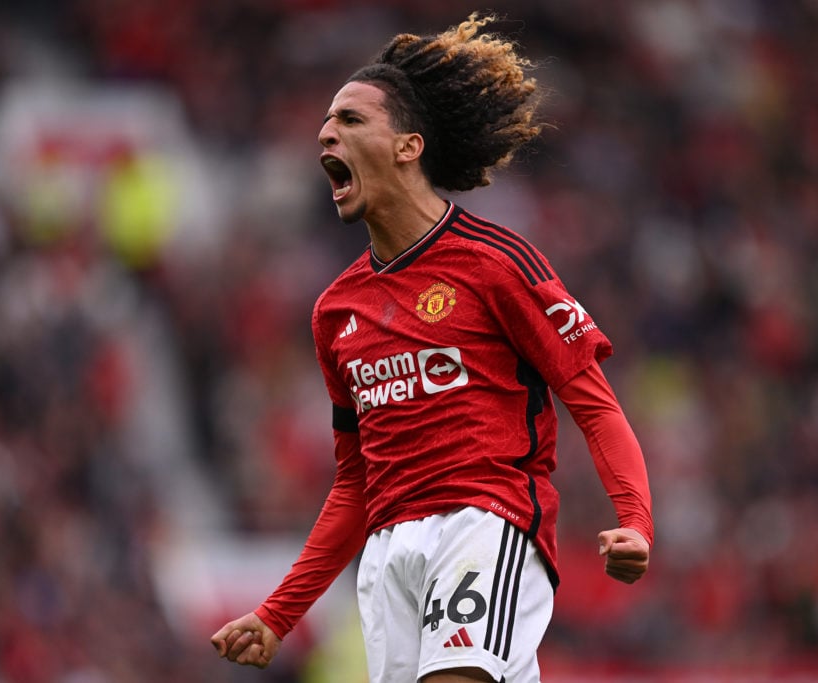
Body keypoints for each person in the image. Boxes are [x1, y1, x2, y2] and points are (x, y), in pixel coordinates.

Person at [211, 13, 653, 683]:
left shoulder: (496, 263)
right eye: (325, 123)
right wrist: (278, 613)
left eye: (352, 120)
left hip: (485, 522)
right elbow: (355, 480)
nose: (327, 132)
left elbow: (591, 401)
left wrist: (636, 519)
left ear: (408, 146)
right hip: (389, 556)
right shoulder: (335, 311)